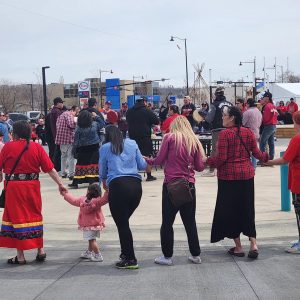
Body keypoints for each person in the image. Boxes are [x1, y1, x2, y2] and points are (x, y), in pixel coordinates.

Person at [0, 120, 66, 264]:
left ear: (14, 133)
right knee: (35, 215)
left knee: (17, 218)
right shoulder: (36, 147)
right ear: (30, 133)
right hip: (32, 187)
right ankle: (40, 250)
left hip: (14, 188)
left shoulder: (7, 147)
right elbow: (50, 169)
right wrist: (60, 184)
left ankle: (21, 256)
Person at [207, 106, 268, 259]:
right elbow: (257, 153)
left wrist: (207, 161)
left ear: (232, 117)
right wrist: (266, 157)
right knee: (247, 209)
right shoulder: (248, 132)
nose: (222, 118)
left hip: (228, 178)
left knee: (231, 211)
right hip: (247, 176)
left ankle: (239, 247)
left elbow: (221, 158)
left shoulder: (225, 134)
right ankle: (253, 244)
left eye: (224, 115)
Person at [145, 116, 206, 265]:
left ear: (174, 125)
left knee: (167, 222)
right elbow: (200, 167)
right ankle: (195, 254)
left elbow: (158, 161)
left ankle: (167, 256)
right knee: (190, 222)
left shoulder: (169, 138)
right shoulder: (194, 140)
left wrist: (146, 159)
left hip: (171, 185)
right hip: (189, 185)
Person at [99, 125, 147, 269]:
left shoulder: (105, 147)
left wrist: (103, 181)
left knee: (122, 224)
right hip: (136, 186)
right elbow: (142, 164)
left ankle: (130, 258)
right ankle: (125, 253)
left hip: (118, 186)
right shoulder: (132, 143)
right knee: (123, 222)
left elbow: (102, 170)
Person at [264, 111, 300, 253]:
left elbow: (285, 159)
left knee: (299, 213)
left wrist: (268, 162)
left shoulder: (297, 139)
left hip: (298, 181)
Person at [61, 183, 108, 261]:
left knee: (92, 240)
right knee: (92, 239)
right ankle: (89, 252)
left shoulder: (81, 200)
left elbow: (73, 200)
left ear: (88, 191)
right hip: (95, 225)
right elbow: (105, 199)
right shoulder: (98, 201)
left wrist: (65, 194)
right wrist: (107, 190)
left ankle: (98, 255)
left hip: (87, 225)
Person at [69, 110, 105, 189]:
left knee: (80, 165)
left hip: (83, 148)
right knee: (92, 164)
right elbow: (103, 124)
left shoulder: (78, 128)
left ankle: (75, 182)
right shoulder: (94, 125)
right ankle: (91, 181)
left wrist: (74, 150)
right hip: (94, 147)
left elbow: (76, 140)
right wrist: (96, 116)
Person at [126, 96, 159, 181]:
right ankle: (149, 175)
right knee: (148, 156)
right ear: (144, 102)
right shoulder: (147, 110)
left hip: (132, 138)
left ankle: (134, 175)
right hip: (145, 137)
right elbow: (156, 121)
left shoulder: (129, 111)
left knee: (134, 156)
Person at [202, 87, 233, 176]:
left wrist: (204, 120)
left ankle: (212, 170)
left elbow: (209, 118)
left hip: (217, 129)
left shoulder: (214, 104)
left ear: (216, 95)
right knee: (229, 149)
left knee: (215, 150)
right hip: (230, 129)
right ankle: (228, 168)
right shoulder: (230, 104)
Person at [55, 106, 77, 180]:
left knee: (63, 156)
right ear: (72, 110)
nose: (75, 115)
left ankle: (63, 173)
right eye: (75, 113)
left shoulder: (61, 116)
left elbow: (57, 125)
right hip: (69, 138)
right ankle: (71, 174)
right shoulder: (69, 115)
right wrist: (76, 123)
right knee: (71, 157)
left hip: (61, 139)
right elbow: (71, 125)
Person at [242, 98, 262, 168]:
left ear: (248, 104)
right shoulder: (258, 112)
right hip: (256, 132)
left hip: (248, 133)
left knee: (246, 151)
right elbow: (260, 123)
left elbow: (243, 123)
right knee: (254, 150)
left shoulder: (247, 112)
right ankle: (254, 166)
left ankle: (248, 166)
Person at [259, 91, 278, 161]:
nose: (263, 99)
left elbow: (265, 118)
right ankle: (271, 157)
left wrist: (260, 123)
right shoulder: (273, 105)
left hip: (268, 126)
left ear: (267, 98)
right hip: (273, 125)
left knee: (262, 142)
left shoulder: (267, 106)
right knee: (271, 143)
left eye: (264, 97)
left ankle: (262, 159)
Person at [49, 97, 65, 171]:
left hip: (55, 134)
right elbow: (60, 124)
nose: (62, 104)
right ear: (58, 103)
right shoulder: (57, 112)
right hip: (59, 135)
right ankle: (57, 167)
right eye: (61, 102)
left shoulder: (53, 111)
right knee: (59, 152)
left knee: (57, 152)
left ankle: (56, 166)